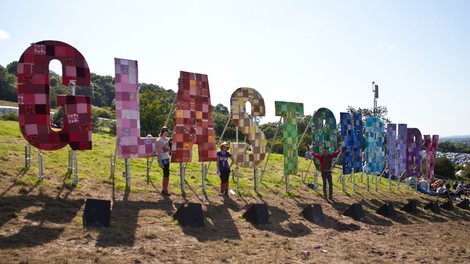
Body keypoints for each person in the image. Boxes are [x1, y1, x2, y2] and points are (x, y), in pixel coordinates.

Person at [156, 126, 171, 195]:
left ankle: (165, 188)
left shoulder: (167, 139)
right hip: (162, 158)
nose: (167, 133)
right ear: (164, 132)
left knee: (167, 173)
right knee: (166, 173)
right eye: (167, 132)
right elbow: (159, 151)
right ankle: (164, 189)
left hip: (167, 157)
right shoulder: (159, 140)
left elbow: (168, 148)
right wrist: (160, 161)